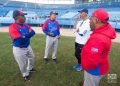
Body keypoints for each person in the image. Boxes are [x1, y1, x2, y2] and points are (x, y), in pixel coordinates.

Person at [81, 8, 116, 86]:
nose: (89, 22)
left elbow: (92, 60)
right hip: (101, 66)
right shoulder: (104, 30)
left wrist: (84, 66)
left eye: (91, 19)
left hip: (94, 70)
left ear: (96, 20)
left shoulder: (98, 38)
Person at [9, 10, 36, 81]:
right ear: (17, 17)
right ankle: (25, 75)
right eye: (23, 15)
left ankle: (30, 68)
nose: (25, 17)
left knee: (32, 57)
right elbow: (19, 40)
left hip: (27, 46)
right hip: (19, 49)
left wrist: (24, 36)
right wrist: (27, 35)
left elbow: (33, 32)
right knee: (22, 64)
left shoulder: (25, 25)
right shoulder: (13, 27)